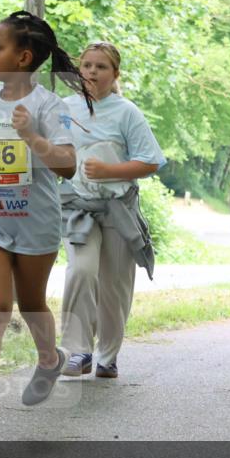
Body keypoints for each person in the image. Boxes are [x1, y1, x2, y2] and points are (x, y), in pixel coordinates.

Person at [0, 10, 93, 444]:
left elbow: (67, 165)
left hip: (35, 223)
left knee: (30, 305)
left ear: (24, 57)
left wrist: (33, 138)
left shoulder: (49, 106)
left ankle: (49, 359)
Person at [59, 41, 166, 380]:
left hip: (118, 207)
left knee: (115, 285)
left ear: (114, 73)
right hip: (77, 208)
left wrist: (109, 172)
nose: (92, 71)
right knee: (81, 271)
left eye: (101, 66)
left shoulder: (127, 112)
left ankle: (107, 355)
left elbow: (150, 162)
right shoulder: (63, 108)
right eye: (87, 65)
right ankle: (78, 351)